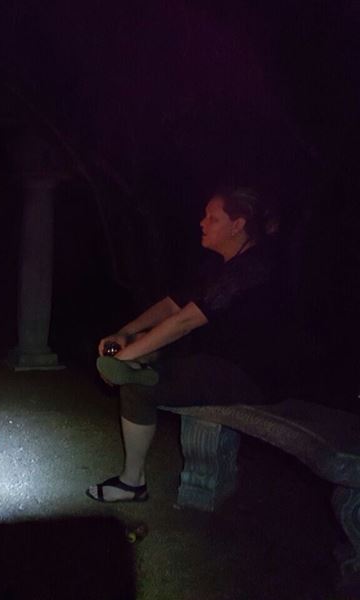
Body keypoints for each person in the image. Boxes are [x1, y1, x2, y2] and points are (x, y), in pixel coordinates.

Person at [88, 187, 284, 502]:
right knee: (144, 355)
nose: (202, 223)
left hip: (250, 379)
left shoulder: (253, 268)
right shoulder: (217, 265)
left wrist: (124, 357)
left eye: (212, 218)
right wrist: (126, 333)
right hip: (212, 364)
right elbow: (172, 305)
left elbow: (185, 321)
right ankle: (140, 366)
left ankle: (132, 483)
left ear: (237, 225)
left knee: (139, 385)